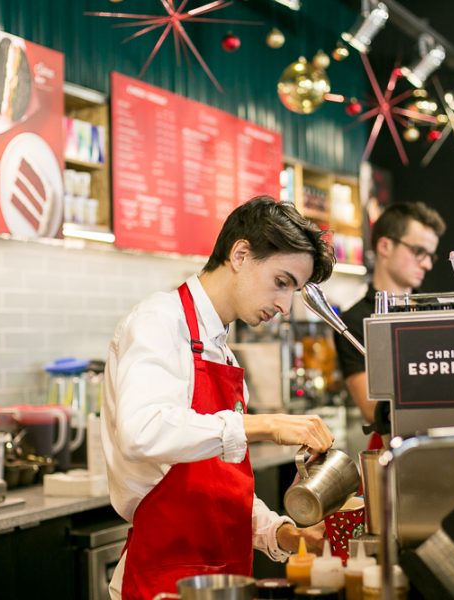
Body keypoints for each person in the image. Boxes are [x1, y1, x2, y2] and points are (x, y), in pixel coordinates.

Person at [102, 197, 338, 600]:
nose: (284, 306)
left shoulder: (220, 351)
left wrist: (280, 532)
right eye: (281, 283)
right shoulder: (160, 321)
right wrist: (267, 424)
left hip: (224, 576)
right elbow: (142, 432)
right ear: (240, 254)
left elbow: (218, 488)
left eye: (293, 291)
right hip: (163, 579)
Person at [333, 201, 446, 446]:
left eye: (431, 255)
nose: (427, 264)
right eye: (419, 252)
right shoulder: (354, 321)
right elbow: (372, 408)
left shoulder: (436, 309)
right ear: (385, 246)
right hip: (394, 447)